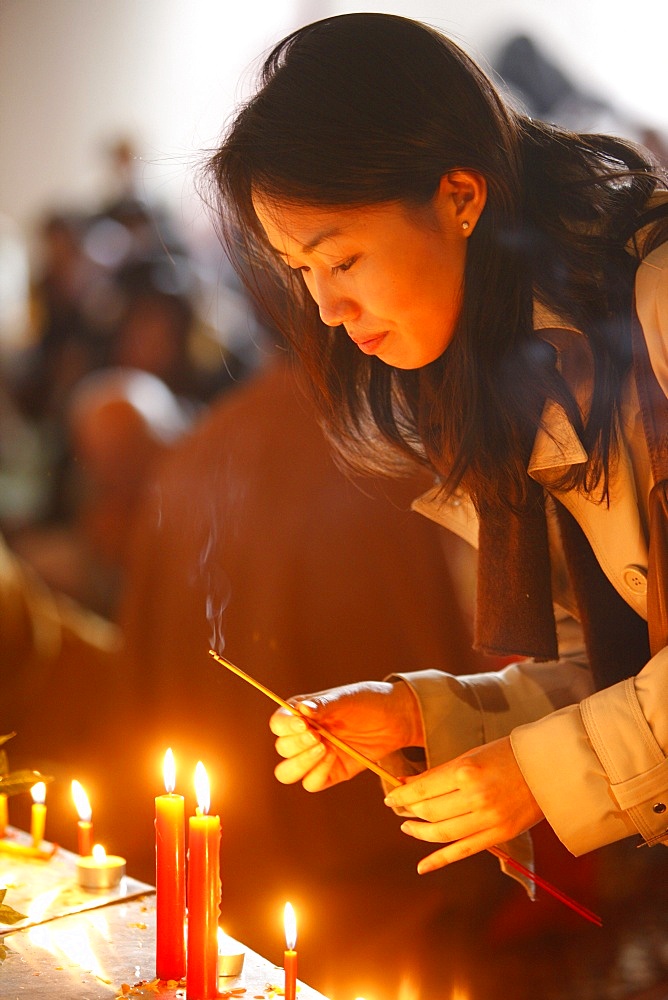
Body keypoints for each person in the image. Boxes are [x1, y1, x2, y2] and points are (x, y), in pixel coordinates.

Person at [203, 10, 668, 883]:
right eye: (299, 272)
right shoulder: (503, 374)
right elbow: (621, 666)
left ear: (460, 197)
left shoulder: (654, 308)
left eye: (340, 259)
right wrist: (426, 714)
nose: (326, 312)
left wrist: (544, 776)